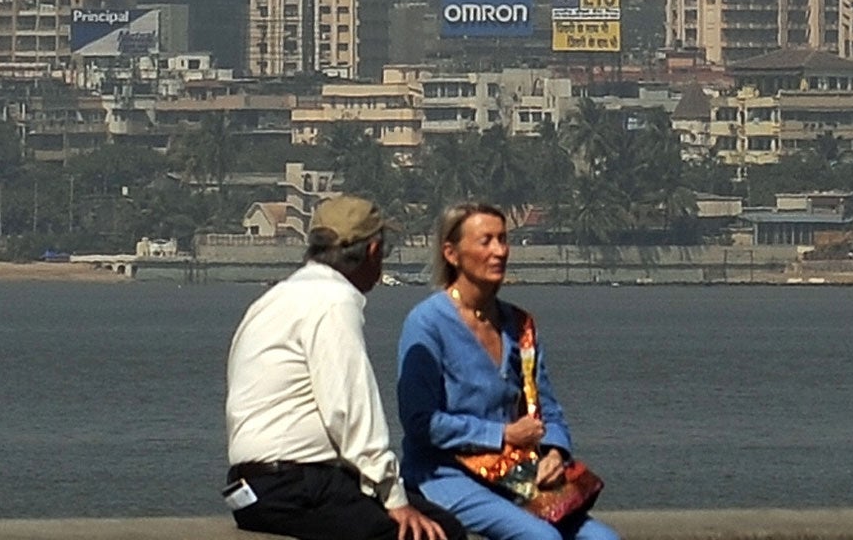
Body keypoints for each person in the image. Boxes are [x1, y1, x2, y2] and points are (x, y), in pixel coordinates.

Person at [223, 195, 461, 540]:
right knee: (437, 533)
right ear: (373, 251)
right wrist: (393, 497)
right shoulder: (332, 301)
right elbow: (349, 409)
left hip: (255, 488)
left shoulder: (277, 297)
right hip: (295, 486)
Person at [397, 202, 618, 540]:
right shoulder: (427, 323)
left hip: (513, 473)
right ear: (451, 253)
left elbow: (548, 409)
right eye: (485, 241)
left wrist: (554, 453)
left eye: (502, 240)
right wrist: (501, 435)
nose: (499, 251)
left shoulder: (518, 325)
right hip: (446, 474)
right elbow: (419, 422)